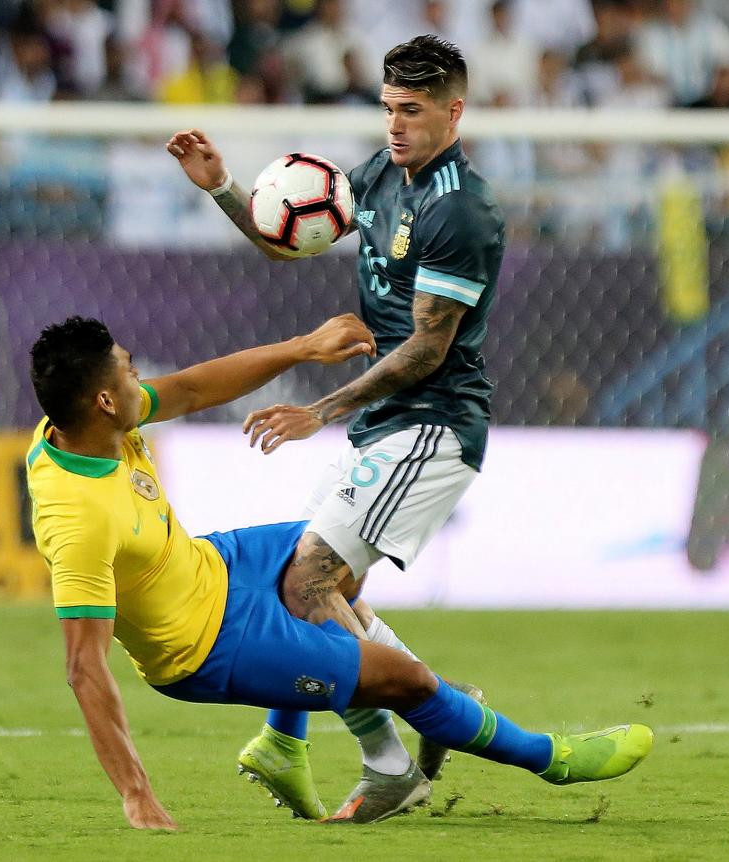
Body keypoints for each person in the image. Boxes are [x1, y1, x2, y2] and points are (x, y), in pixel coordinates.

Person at [26, 313, 654, 830]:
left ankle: (283, 743)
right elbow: (84, 666)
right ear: (105, 400)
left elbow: (191, 388)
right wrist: (136, 792)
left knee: (336, 555)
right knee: (408, 682)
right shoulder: (79, 521)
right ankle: (552, 759)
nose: (145, 377)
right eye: (132, 370)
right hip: (211, 645)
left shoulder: (87, 426)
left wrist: (303, 347)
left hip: (219, 564)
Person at [167, 34, 513, 823]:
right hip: (383, 426)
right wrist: (221, 188)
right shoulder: (382, 174)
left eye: (412, 110)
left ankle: (387, 762)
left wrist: (317, 411)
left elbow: (430, 346)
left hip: (433, 426)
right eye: (389, 107)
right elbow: (287, 242)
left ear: (453, 111)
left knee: (305, 582)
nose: (395, 125)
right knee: (320, 592)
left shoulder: (460, 208)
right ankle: (441, 701)